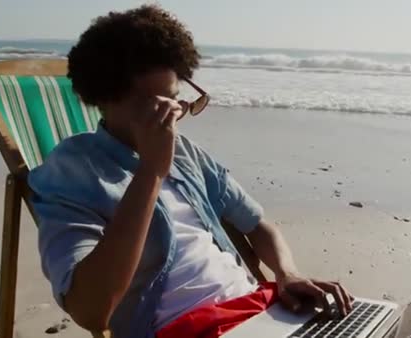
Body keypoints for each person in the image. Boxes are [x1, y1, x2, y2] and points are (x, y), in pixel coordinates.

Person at [28, 5, 352, 338]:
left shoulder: (183, 152)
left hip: (258, 312)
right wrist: (151, 173)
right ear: (106, 99)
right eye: (155, 104)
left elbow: (257, 224)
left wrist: (288, 274)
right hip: (188, 327)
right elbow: (90, 311)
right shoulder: (72, 171)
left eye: (176, 100)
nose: (171, 115)